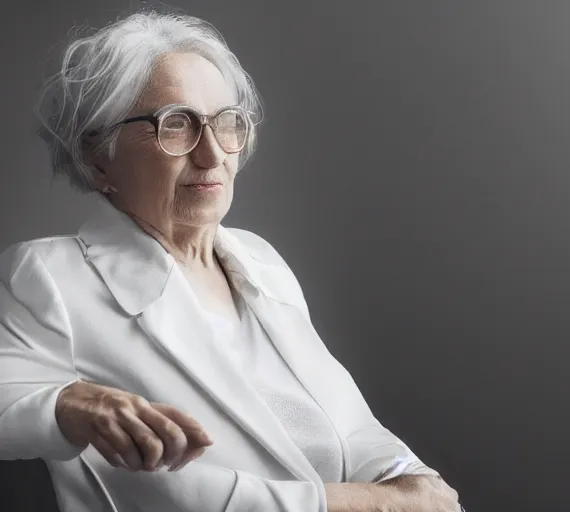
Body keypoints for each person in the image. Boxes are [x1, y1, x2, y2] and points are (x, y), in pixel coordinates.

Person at [0, 10, 463, 512]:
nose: (212, 152)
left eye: (226, 122)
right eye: (175, 125)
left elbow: (352, 428)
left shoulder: (260, 261)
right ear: (97, 154)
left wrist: (414, 482)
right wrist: (66, 403)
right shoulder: (50, 276)